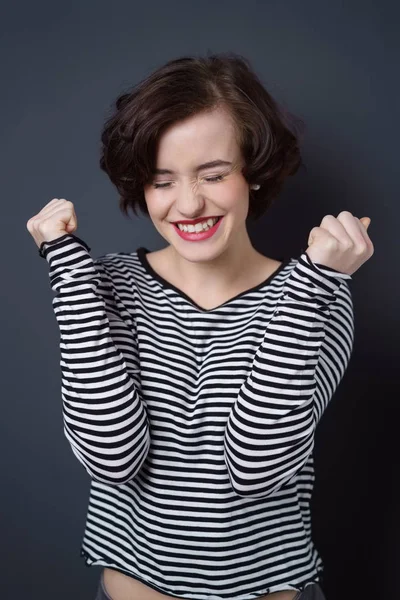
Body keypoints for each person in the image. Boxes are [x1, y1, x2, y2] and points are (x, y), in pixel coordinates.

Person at [27, 53, 373, 600]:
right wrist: (68, 272)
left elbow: (256, 468)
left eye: (213, 175)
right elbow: (113, 456)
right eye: (161, 182)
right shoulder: (102, 287)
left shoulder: (319, 294)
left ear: (253, 173)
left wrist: (312, 285)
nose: (189, 203)